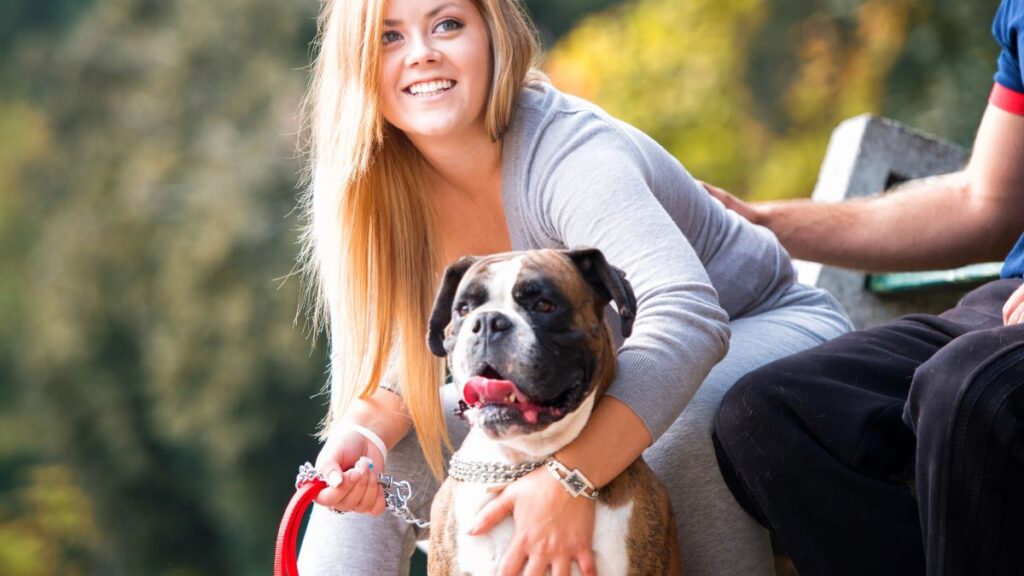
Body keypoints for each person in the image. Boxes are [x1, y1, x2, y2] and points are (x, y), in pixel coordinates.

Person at [293, 0, 850, 574]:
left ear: (495, 36)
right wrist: (360, 438)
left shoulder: (570, 152)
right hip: (572, 383)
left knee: (672, 424)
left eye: (447, 24)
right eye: (389, 37)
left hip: (761, 323)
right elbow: (394, 385)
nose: (422, 52)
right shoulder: (381, 198)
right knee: (378, 462)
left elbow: (689, 318)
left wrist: (568, 478)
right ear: (356, 64)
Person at [709, 1, 1024, 574]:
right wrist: (757, 223)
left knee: (967, 389)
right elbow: (984, 204)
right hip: (1007, 306)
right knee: (770, 413)